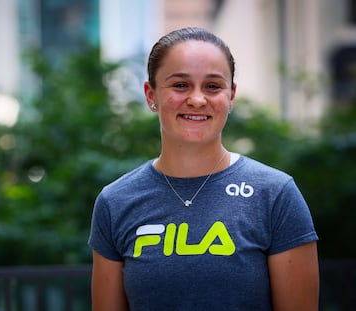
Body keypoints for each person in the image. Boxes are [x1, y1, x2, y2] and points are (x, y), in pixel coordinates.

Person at [88, 27, 319, 310]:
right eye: (180, 85)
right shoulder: (115, 202)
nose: (197, 99)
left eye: (212, 86)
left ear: (231, 96)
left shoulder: (275, 195)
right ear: (151, 95)